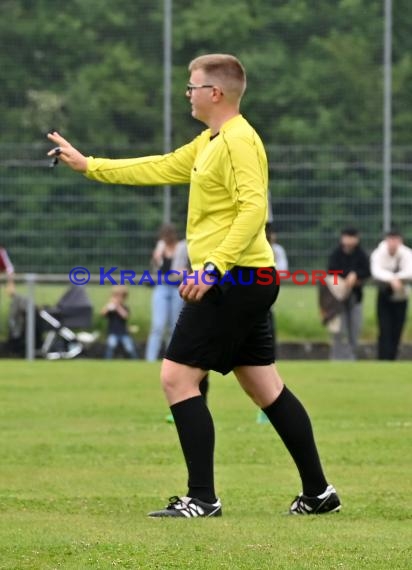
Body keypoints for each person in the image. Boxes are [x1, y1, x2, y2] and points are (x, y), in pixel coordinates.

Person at [47, 53, 340, 517]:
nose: (188, 93)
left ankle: (202, 498)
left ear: (215, 93)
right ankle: (320, 494)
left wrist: (212, 268)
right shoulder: (210, 140)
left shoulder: (239, 141)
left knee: (176, 377)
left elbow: (252, 210)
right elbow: (161, 166)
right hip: (245, 278)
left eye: (192, 86)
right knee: (265, 387)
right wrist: (90, 165)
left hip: (235, 280)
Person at [327, 228, 370, 360]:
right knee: (338, 330)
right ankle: (336, 358)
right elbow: (331, 271)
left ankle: (352, 358)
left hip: (355, 298)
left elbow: (367, 272)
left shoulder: (361, 254)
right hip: (337, 299)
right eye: (347, 237)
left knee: (354, 330)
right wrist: (347, 277)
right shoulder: (336, 254)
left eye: (352, 237)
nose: (349, 240)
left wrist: (355, 276)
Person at [145, 224, 188, 361]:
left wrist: (186, 271)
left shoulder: (183, 247)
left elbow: (191, 265)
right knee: (158, 325)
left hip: (177, 287)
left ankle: (171, 359)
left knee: (174, 325)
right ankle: (150, 360)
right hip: (162, 286)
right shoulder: (160, 247)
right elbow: (155, 267)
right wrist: (156, 257)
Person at [370, 231, 412, 360]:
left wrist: (397, 278)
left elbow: (410, 271)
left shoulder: (406, 253)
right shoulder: (379, 253)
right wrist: (391, 279)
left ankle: (392, 358)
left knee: (397, 329)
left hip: (401, 295)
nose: (393, 243)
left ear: (400, 241)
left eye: (396, 240)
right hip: (384, 294)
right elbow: (376, 271)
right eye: (390, 240)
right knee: (384, 328)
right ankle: (383, 358)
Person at [101, 286, 138, 359]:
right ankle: (107, 360)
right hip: (113, 332)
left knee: (129, 348)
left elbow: (125, 316)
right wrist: (109, 306)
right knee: (111, 346)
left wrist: (117, 306)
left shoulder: (124, 307)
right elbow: (103, 313)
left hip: (124, 333)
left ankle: (135, 360)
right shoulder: (111, 308)